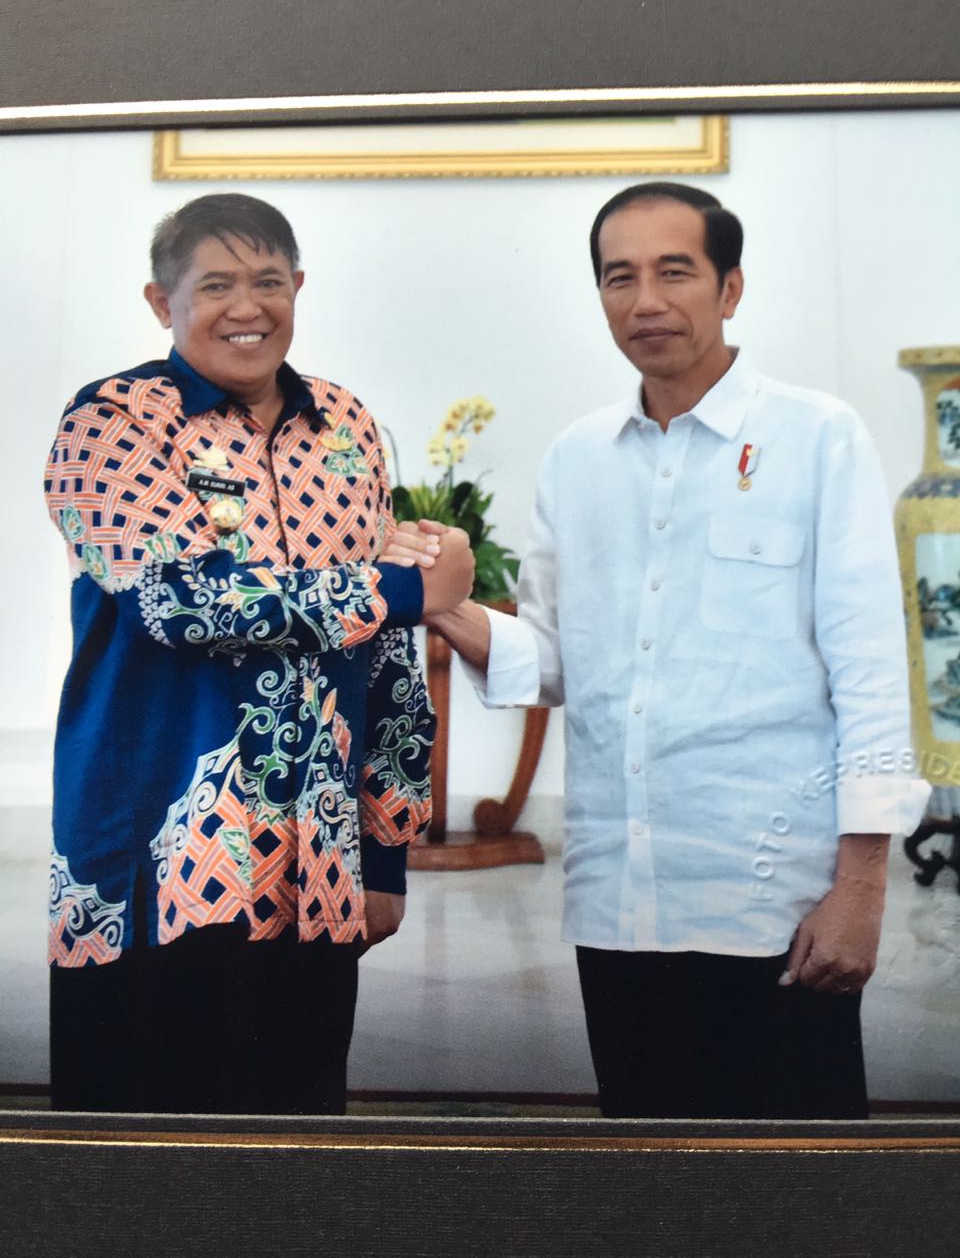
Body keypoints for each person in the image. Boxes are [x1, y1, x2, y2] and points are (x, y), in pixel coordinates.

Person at [421, 182, 929, 1118]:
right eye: (620, 277)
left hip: (776, 901)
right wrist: (444, 609)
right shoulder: (578, 458)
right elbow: (560, 658)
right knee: (647, 1186)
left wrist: (860, 887)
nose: (645, 300)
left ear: (730, 288)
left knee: (798, 1194)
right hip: (620, 902)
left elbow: (868, 668)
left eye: (674, 272)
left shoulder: (817, 437)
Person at [44, 192, 473, 1115]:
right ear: (163, 303)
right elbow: (181, 600)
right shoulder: (113, 422)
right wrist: (405, 589)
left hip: (317, 865)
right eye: (216, 285)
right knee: (132, 1162)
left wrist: (387, 854)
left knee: (298, 1148)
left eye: (269, 282)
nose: (248, 307)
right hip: (153, 863)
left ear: (299, 288)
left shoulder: (349, 427)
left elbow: (389, 659)